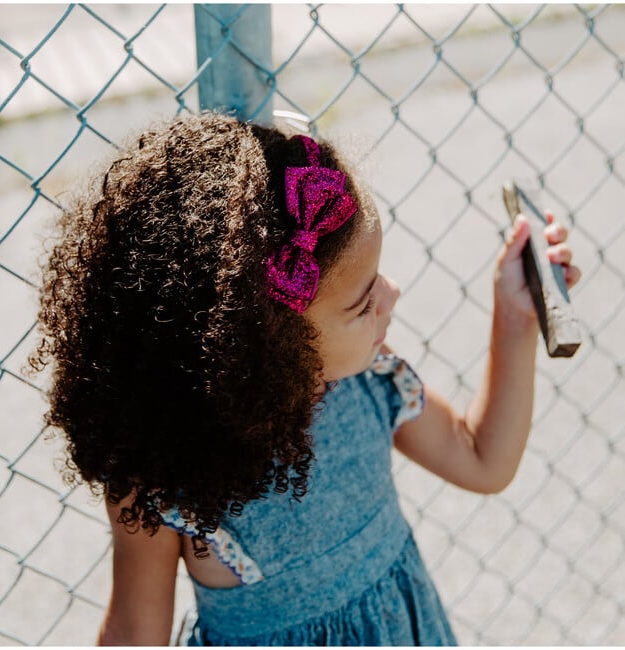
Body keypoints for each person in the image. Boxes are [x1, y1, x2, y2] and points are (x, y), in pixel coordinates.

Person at [29, 113, 580, 646]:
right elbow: (134, 633)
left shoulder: (368, 380)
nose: (391, 294)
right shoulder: (162, 478)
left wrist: (515, 318)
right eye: (363, 303)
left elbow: (483, 458)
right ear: (270, 348)